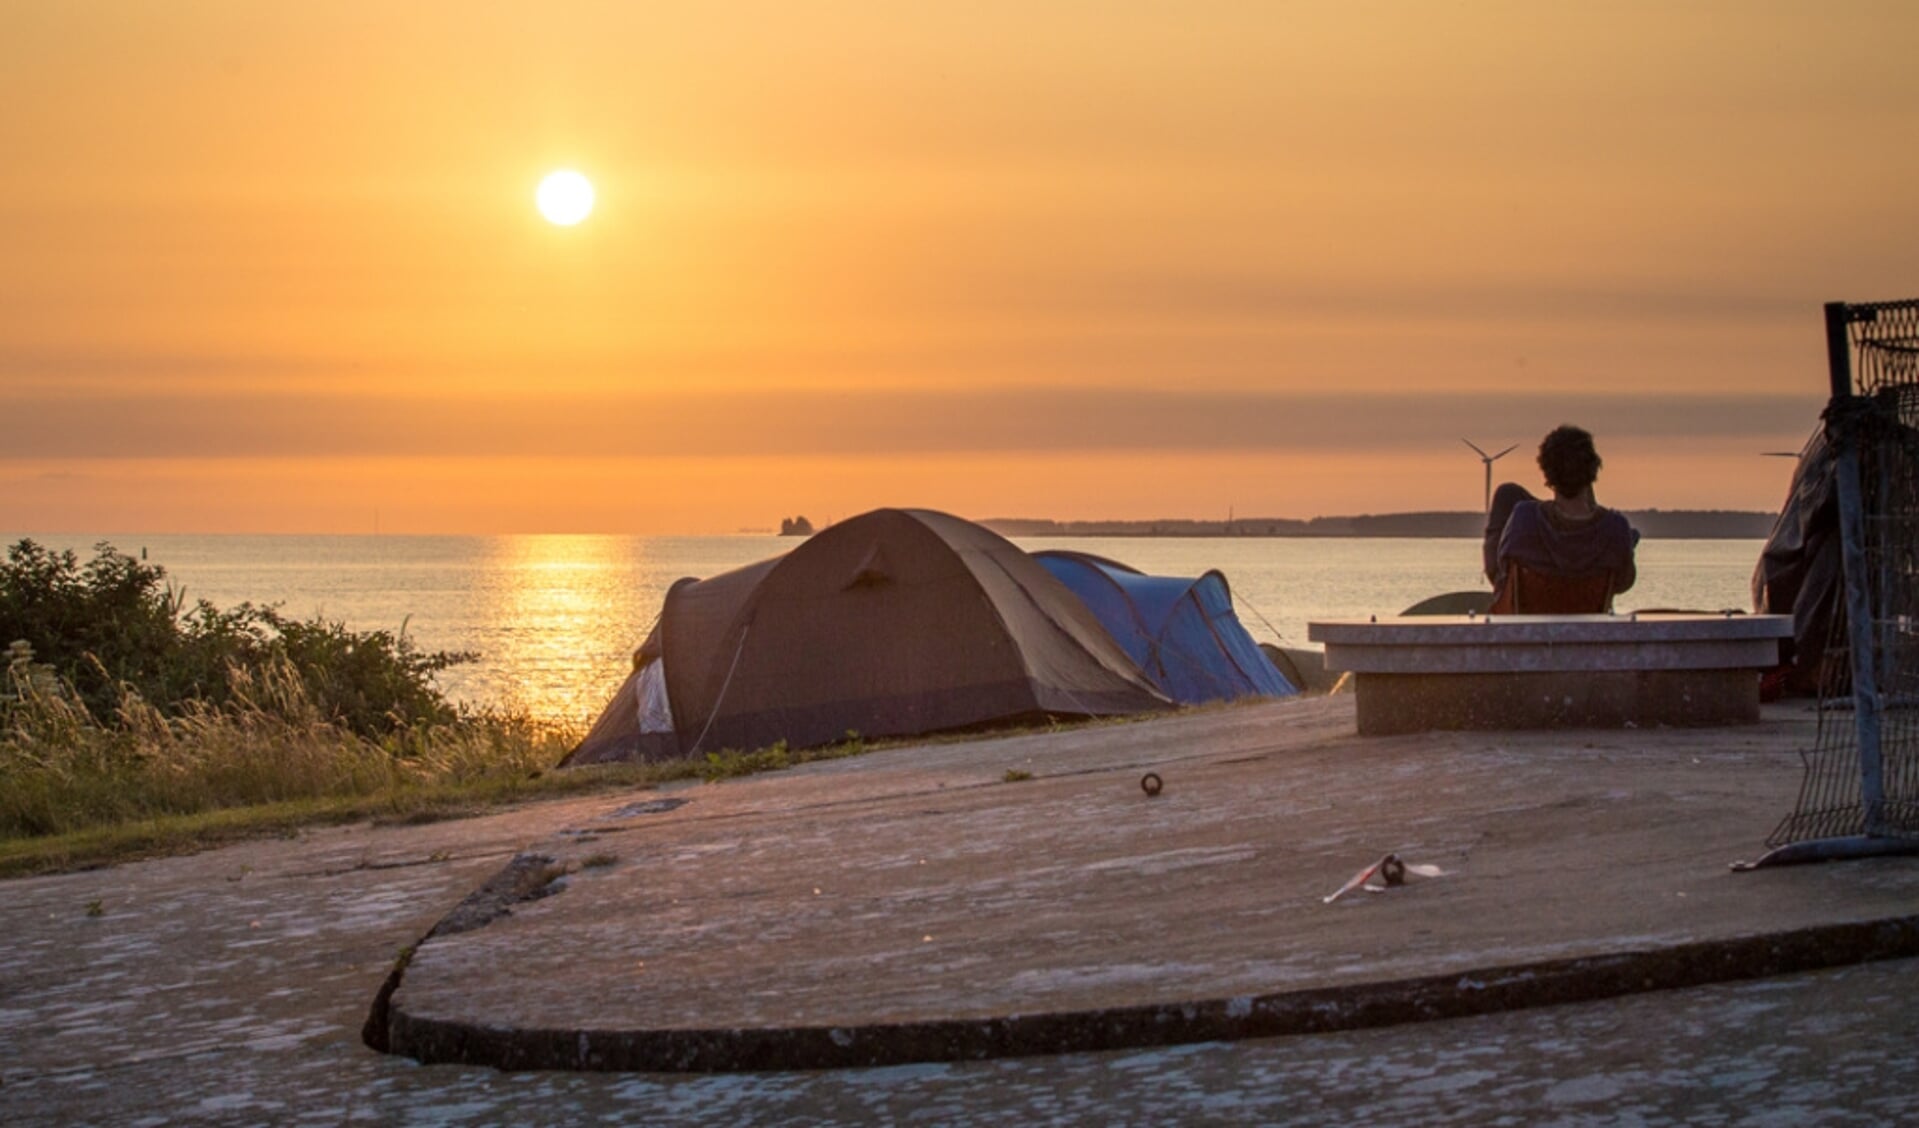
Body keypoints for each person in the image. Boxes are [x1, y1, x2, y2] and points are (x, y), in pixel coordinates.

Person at [1483, 425, 1638, 597]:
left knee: (1507, 493)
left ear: (1547, 471)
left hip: (1532, 617)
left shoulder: (1525, 517)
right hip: (1588, 617)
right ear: (1593, 468)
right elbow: (1623, 583)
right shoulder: (1615, 527)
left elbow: (1501, 571)